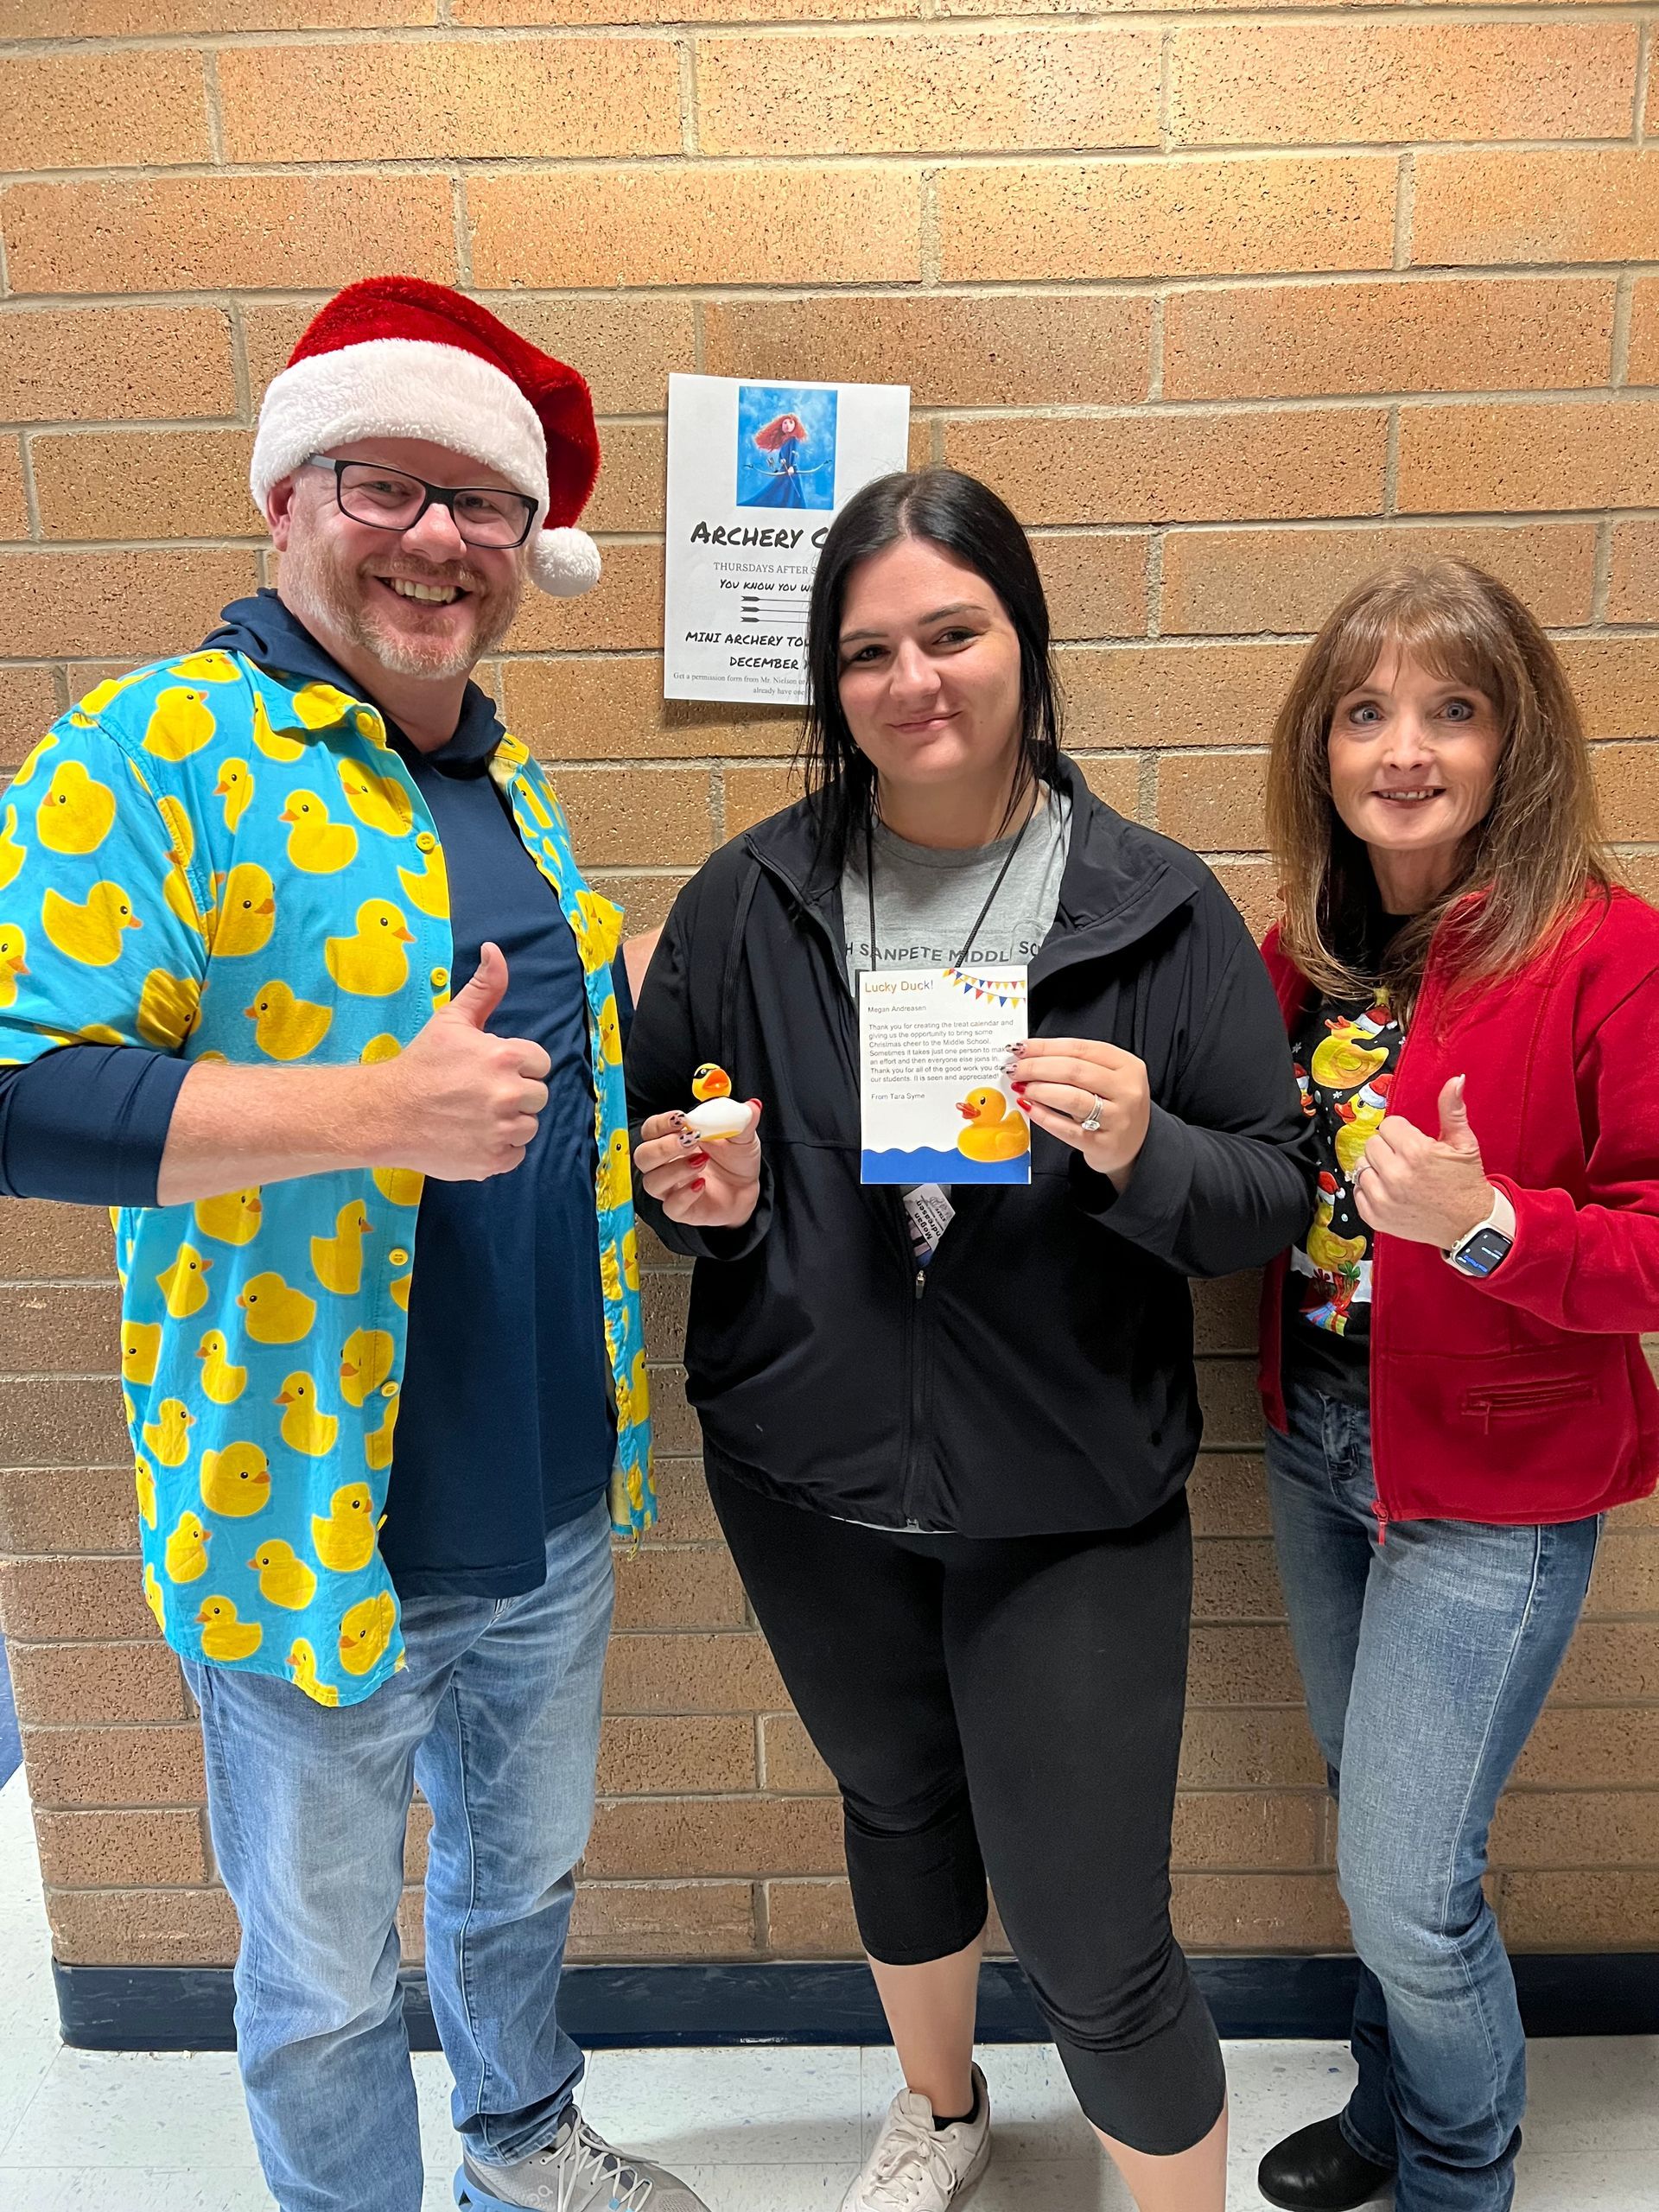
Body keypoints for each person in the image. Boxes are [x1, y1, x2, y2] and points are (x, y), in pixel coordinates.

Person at [0, 276, 707, 2212]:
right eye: (386, 485)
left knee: (518, 1878)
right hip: (305, 1508)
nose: (437, 540)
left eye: (480, 503)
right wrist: (365, 1114)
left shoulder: (504, 772)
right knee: (319, 1970)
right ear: (286, 496)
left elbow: (533, 1092)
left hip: (552, 1497)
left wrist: (659, 1151)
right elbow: (17, 1090)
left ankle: (520, 2142)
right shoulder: (144, 755)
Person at [627, 468, 1316, 2212]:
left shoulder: (1157, 908)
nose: (913, 679)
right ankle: (938, 2109)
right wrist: (694, 1199)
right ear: (825, 677)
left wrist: (1146, 1145)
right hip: (807, 1475)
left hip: (1070, 1496)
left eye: (953, 631)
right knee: (898, 1807)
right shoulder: (743, 897)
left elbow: (1269, 1198)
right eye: (868, 650)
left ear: (1023, 640)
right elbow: (676, 1151)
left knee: (1095, 1933)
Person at [1253, 559, 1659, 2212]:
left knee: (1411, 1884)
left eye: (1451, 709)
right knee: (1377, 1831)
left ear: (1514, 741)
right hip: (1320, 1440)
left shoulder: (1608, 948)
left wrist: (1488, 1231)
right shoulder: (1308, 951)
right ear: (1322, 748)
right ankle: (1389, 2102)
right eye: (1365, 711)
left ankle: (1455, 2174)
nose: (1402, 748)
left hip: (1499, 1483)